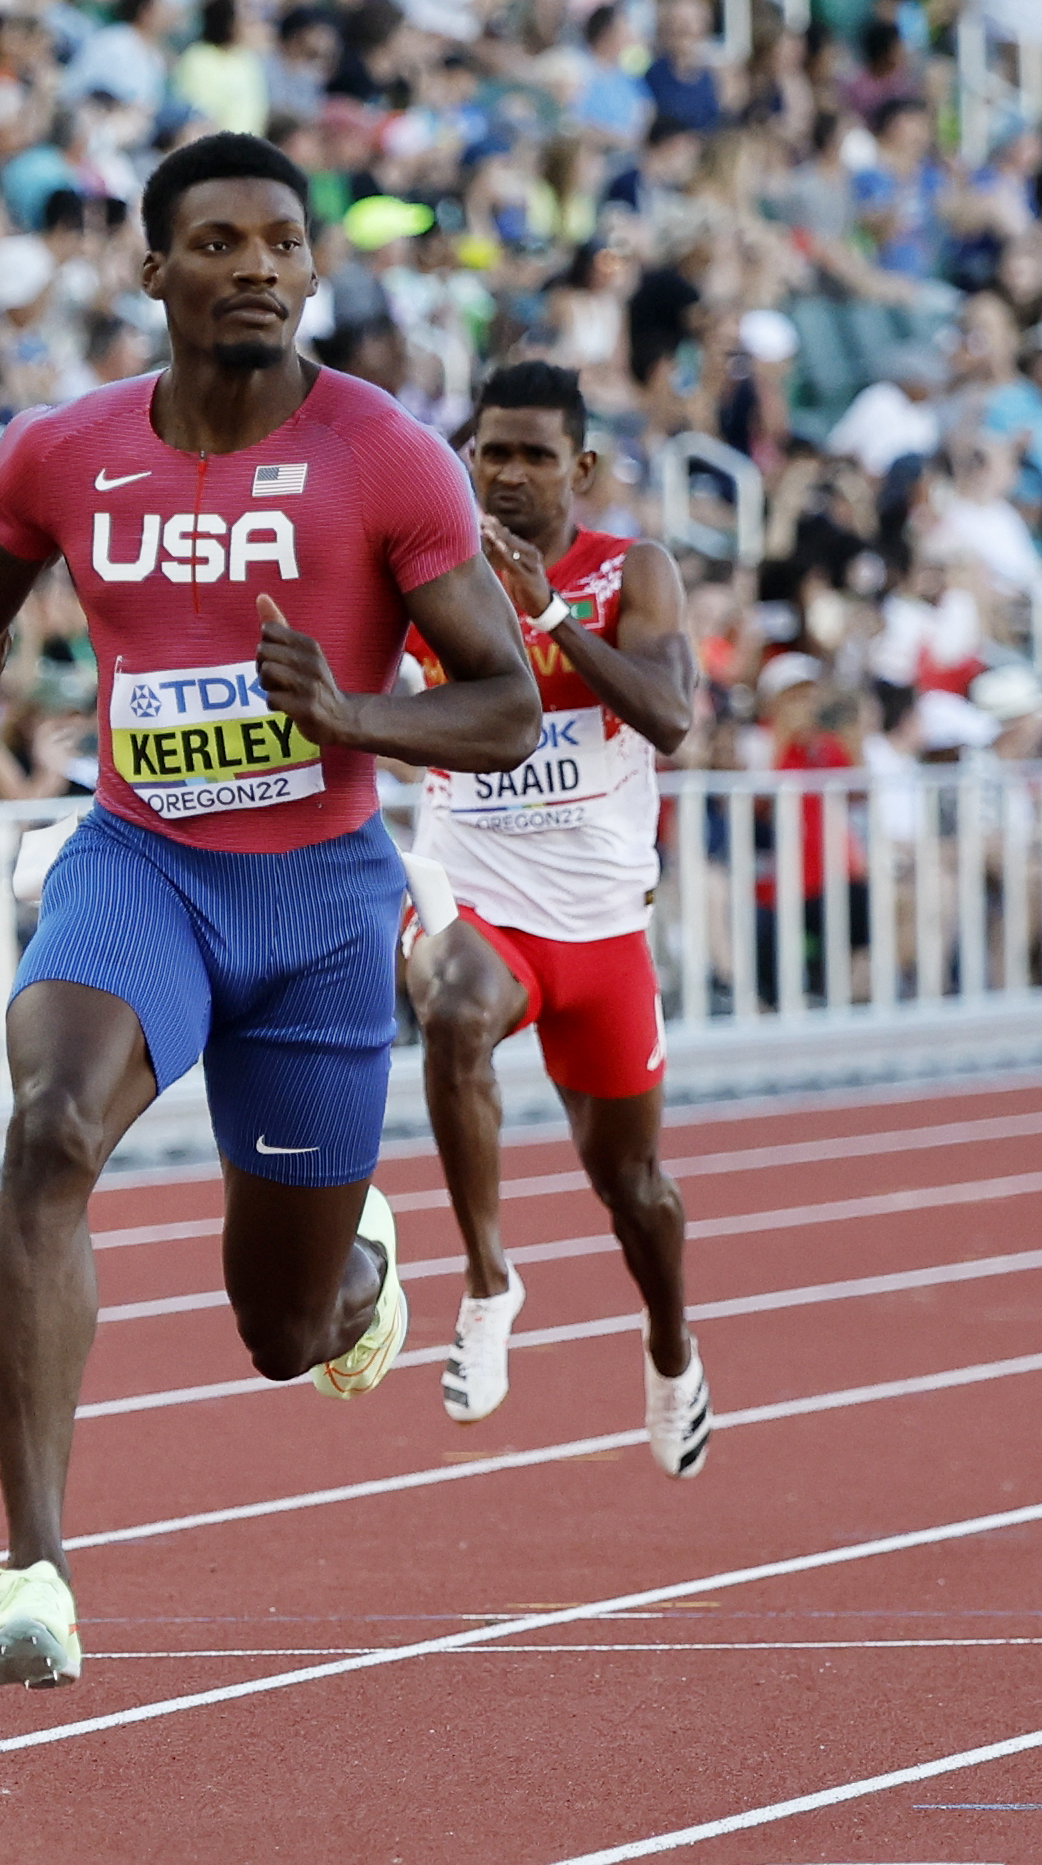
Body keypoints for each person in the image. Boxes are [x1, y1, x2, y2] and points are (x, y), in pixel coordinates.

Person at [0, 133, 539, 1688]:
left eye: (283, 242)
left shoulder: (386, 456)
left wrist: (350, 714)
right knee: (48, 1127)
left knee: (282, 1335)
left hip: (320, 903)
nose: (258, 268)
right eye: (218, 243)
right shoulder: (63, 452)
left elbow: (501, 703)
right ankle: (36, 1573)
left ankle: (354, 1255)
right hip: (140, 862)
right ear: (155, 272)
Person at [399, 360, 708, 1473]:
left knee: (636, 1192)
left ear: (579, 467)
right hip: (478, 899)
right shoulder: (423, 576)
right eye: (492, 453)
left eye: (535, 455)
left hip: (603, 934)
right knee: (457, 1012)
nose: (512, 474)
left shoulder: (635, 572)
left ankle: (670, 1345)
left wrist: (554, 617)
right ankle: (487, 1285)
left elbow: (671, 715)